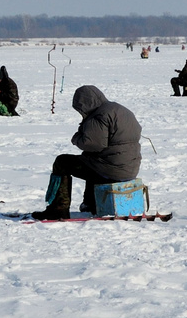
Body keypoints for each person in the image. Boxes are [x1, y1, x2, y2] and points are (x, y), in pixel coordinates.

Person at [32, 86, 142, 220]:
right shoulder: (120, 110)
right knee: (90, 161)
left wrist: (76, 138)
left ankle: (58, 209)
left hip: (111, 170)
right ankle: (91, 203)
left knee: (62, 162)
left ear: (85, 104)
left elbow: (92, 144)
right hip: (129, 169)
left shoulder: (99, 115)